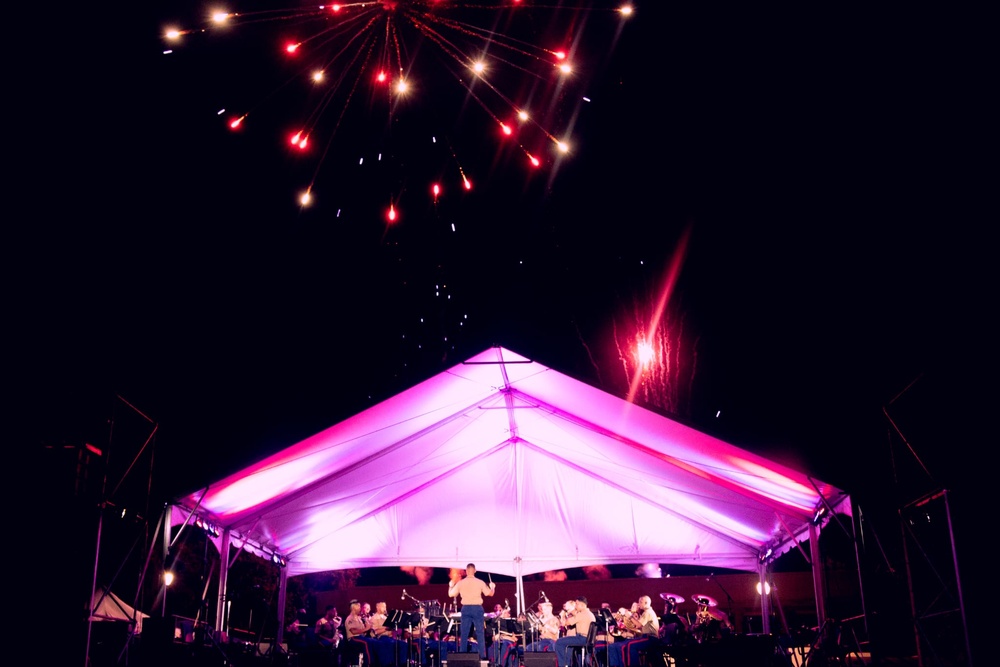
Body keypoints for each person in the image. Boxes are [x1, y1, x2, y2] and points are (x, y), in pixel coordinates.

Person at [447, 563, 496, 659]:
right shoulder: (480, 582)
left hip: (466, 608)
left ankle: (462, 655)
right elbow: (490, 594)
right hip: (477, 608)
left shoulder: (461, 583)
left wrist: (450, 586)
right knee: (480, 633)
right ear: (475, 571)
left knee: (464, 633)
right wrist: (493, 587)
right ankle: (482, 656)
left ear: (466, 571)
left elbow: (451, 594)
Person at [607, 596, 658, 667]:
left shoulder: (647, 612)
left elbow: (638, 625)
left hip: (650, 638)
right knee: (614, 646)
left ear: (646, 603)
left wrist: (630, 616)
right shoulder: (647, 612)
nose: (639, 604)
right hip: (647, 637)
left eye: (640, 602)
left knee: (630, 645)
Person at [554, 596, 595, 667]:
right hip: (588, 639)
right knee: (567, 643)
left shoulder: (582, 614)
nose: (575, 606)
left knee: (559, 642)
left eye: (577, 604)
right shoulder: (590, 614)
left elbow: (565, 623)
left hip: (582, 638)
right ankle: (567, 664)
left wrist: (563, 615)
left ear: (582, 605)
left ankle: (563, 665)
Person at [345, 599, 378, 666]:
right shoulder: (350, 618)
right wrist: (366, 628)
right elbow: (353, 631)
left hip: (360, 637)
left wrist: (368, 625)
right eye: (359, 606)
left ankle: (374, 662)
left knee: (373, 641)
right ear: (354, 607)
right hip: (353, 638)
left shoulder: (359, 618)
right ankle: (368, 663)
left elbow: (363, 630)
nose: (360, 608)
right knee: (367, 642)